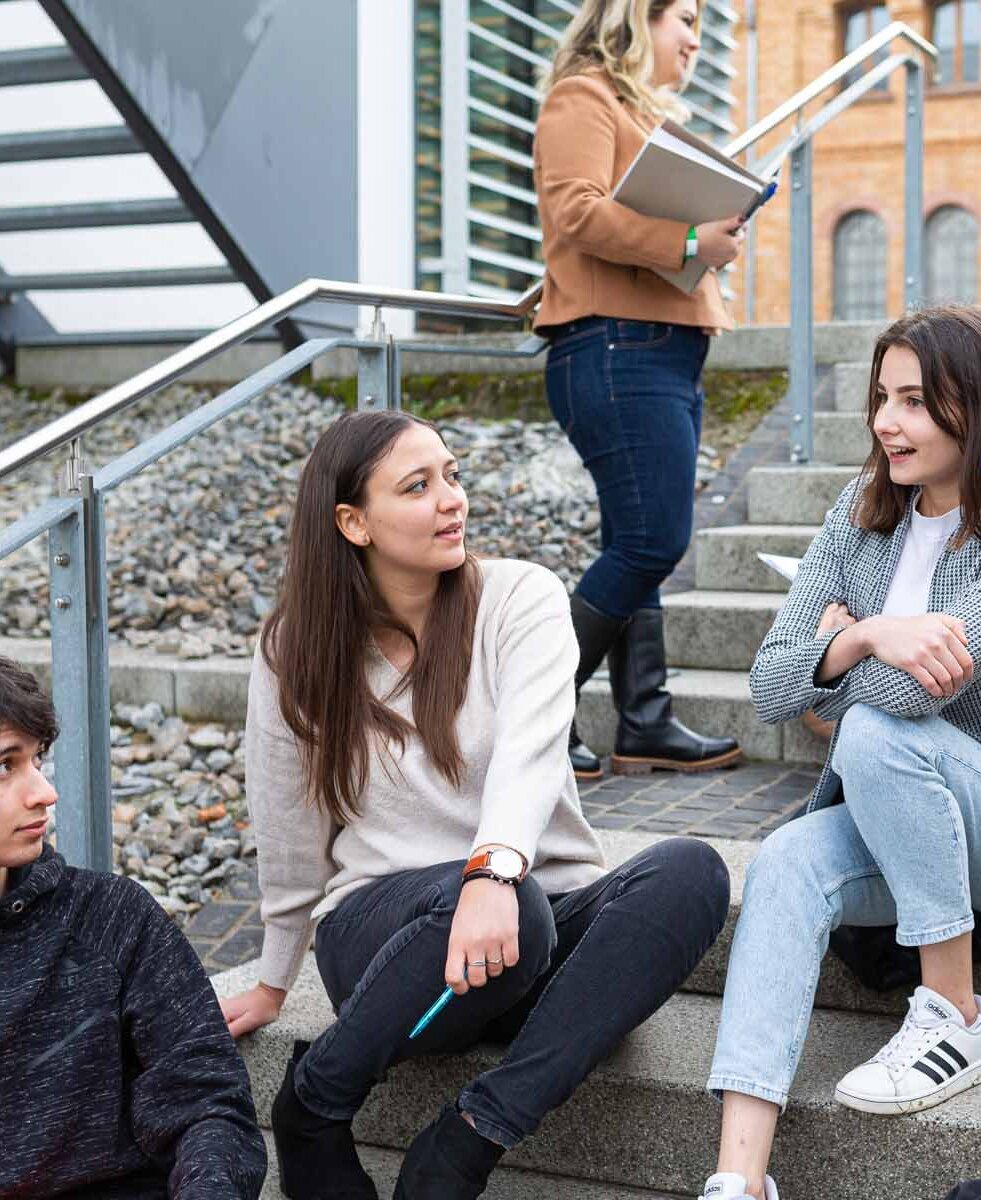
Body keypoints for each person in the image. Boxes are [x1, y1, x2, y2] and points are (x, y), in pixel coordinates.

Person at [218, 410, 730, 1200]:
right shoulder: (296, 648)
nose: (451, 499)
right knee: (515, 907)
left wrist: (494, 873)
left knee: (689, 870)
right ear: (352, 523)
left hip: (524, 929)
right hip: (391, 944)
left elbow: (531, 752)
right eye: (418, 486)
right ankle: (312, 1105)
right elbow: (288, 822)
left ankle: (468, 1136)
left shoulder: (520, 598)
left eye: (452, 476)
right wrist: (274, 975)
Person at [698, 306, 981, 1200]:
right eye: (882, 398)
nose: (888, 422)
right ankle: (739, 1180)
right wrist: (862, 641)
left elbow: (899, 700)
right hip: (906, 814)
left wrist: (842, 664)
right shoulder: (858, 516)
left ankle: (954, 1015)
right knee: (783, 861)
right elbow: (771, 686)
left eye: (918, 402)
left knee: (874, 730)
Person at [533, 0, 746, 779]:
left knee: (637, 541)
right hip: (616, 349)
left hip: (657, 352)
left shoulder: (636, 111)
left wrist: (708, 235)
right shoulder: (581, 96)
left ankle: (645, 719)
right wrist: (691, 238)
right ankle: (535, 718)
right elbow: (576, 211)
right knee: (654, 540)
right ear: (635, 19)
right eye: (682, 18)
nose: (694, 37)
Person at [0, 656, 266, 1199]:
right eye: (5, 766)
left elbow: (208, 1105)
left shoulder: (111, 919)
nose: (44, 794)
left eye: (37, 760)